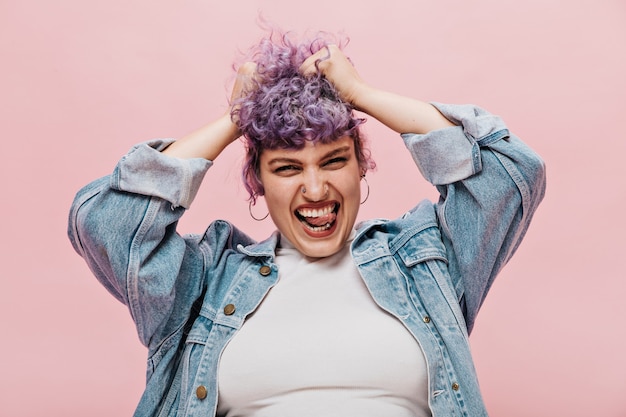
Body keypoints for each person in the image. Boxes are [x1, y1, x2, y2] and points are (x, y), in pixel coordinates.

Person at [68, 30, 546, 417]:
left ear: (362, 166)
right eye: (287, 168)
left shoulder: (428, 263)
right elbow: (107, 221)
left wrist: (363, 95)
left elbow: (510, 172)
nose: (316, 191)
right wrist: (236, 120)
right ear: (256, 179)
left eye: (334, 161)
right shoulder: (203, 283)